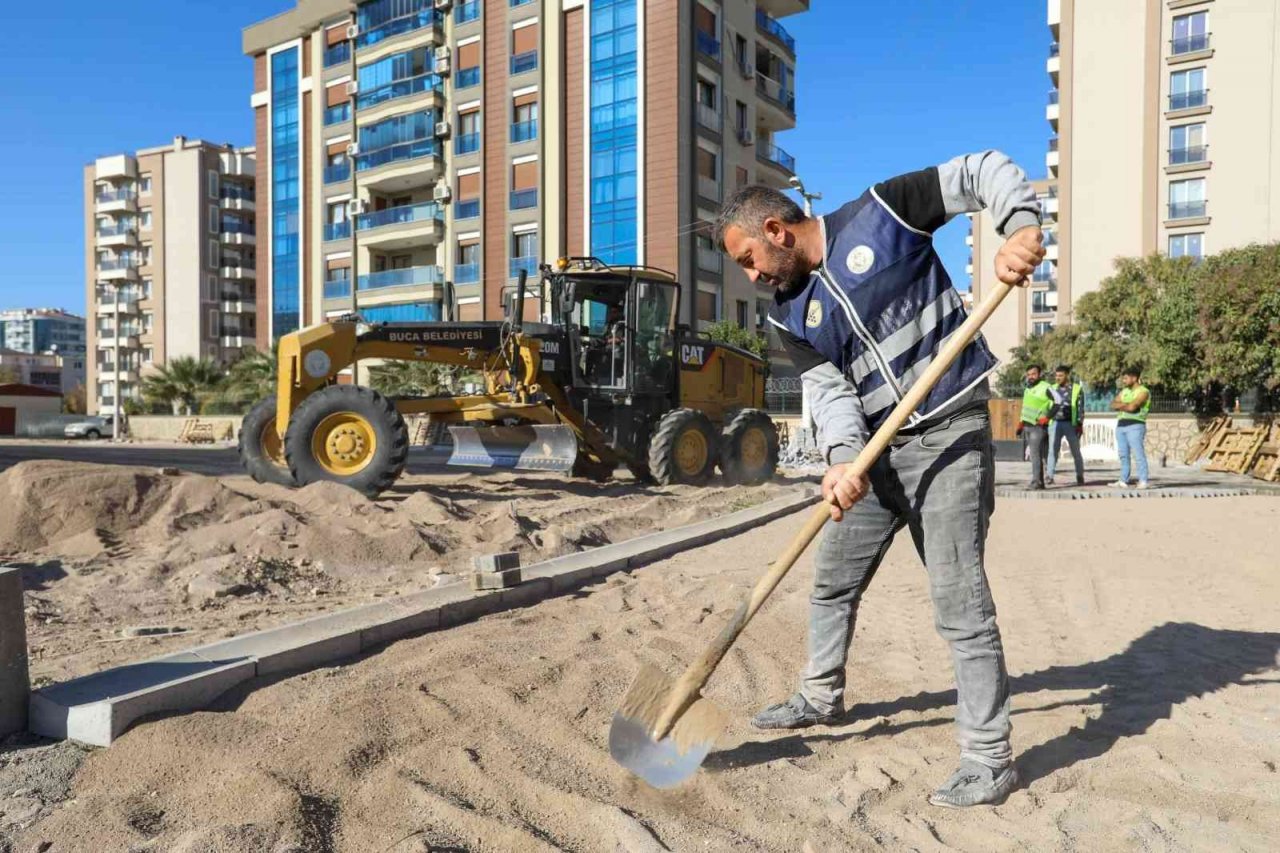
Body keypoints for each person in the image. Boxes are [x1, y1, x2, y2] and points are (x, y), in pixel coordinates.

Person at [716, 150, 1044, 808]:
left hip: (948, 431)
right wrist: (842, 458)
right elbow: (830, 392)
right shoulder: (788, 313)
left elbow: (981, 171)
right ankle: (819, 694)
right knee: (831, 578)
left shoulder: (884, 211)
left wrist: (1020, 226)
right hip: (876, 455)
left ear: (776, 231)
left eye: (749, 259)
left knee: (959, 601)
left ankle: (988, 756)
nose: (752, 276)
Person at [1111, 366, 1151, 489]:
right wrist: (1127, 405)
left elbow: (1133, 407)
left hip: (1136, 425)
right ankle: (1123, 479)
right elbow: (1112, 404)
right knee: (1123, 454)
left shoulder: (1143, 391)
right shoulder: (1124, 391)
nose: (1124, 381)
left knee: (1138, 454)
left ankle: (1143, 480)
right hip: (1121, 425)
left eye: (1126, 378)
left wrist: (1122, 405)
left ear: (1134, 378)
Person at [1046, 364, 1085, 486]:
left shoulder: (1077, 388)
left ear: (1067, 375)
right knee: (1052, 450)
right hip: (1055, 423)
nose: (1058, 378)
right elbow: (1047, 405)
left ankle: (1080, 475)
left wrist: (1079, 424)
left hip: (1070, 424)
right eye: (1056, 375)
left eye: (1061, 375)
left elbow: (1080, 407)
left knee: (1076, 451)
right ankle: (1049, 476)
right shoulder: (1052, 388)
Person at [1016, 365, 1052, 489]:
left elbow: (1059, 401)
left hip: (1038, 426)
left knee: (1035, 454)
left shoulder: (1046, 387)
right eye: (1029, 374)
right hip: (1027, 426)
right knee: (1035, 455)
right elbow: (1025, 407)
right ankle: (1039, 482)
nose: (1031, 376)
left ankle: (1036, 482)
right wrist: (1020, 424)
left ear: (1039, 374)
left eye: (1034, 374)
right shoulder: (1028, 389)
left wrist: (1048, 417)